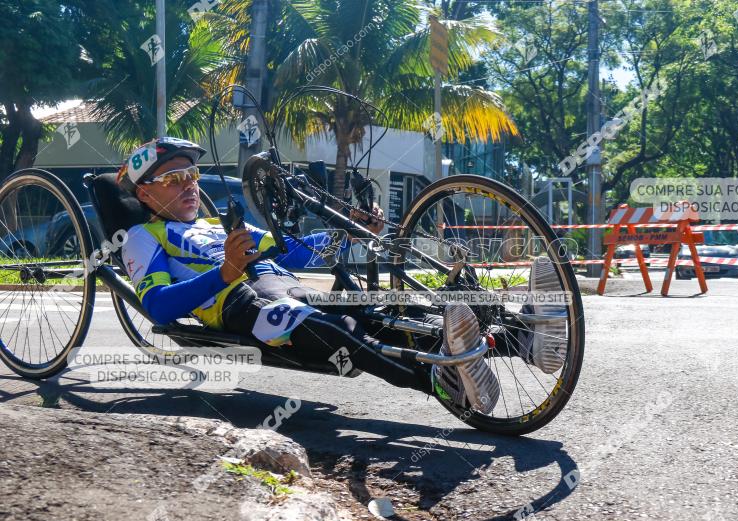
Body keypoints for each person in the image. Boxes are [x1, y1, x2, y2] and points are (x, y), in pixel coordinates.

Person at [116, 137, 566, 414]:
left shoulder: (217, 225)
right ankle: (441, 384)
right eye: (174, 179)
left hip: (285, 286)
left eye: (191, 174)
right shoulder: (142, 235)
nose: (189, 184)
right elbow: (158, 308)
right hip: (243, 306)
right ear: (145, 193)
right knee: (343, 330)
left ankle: (523, 338)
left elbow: (293, 251)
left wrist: (350, 231)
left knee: (387, 312)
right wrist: (226, 271)